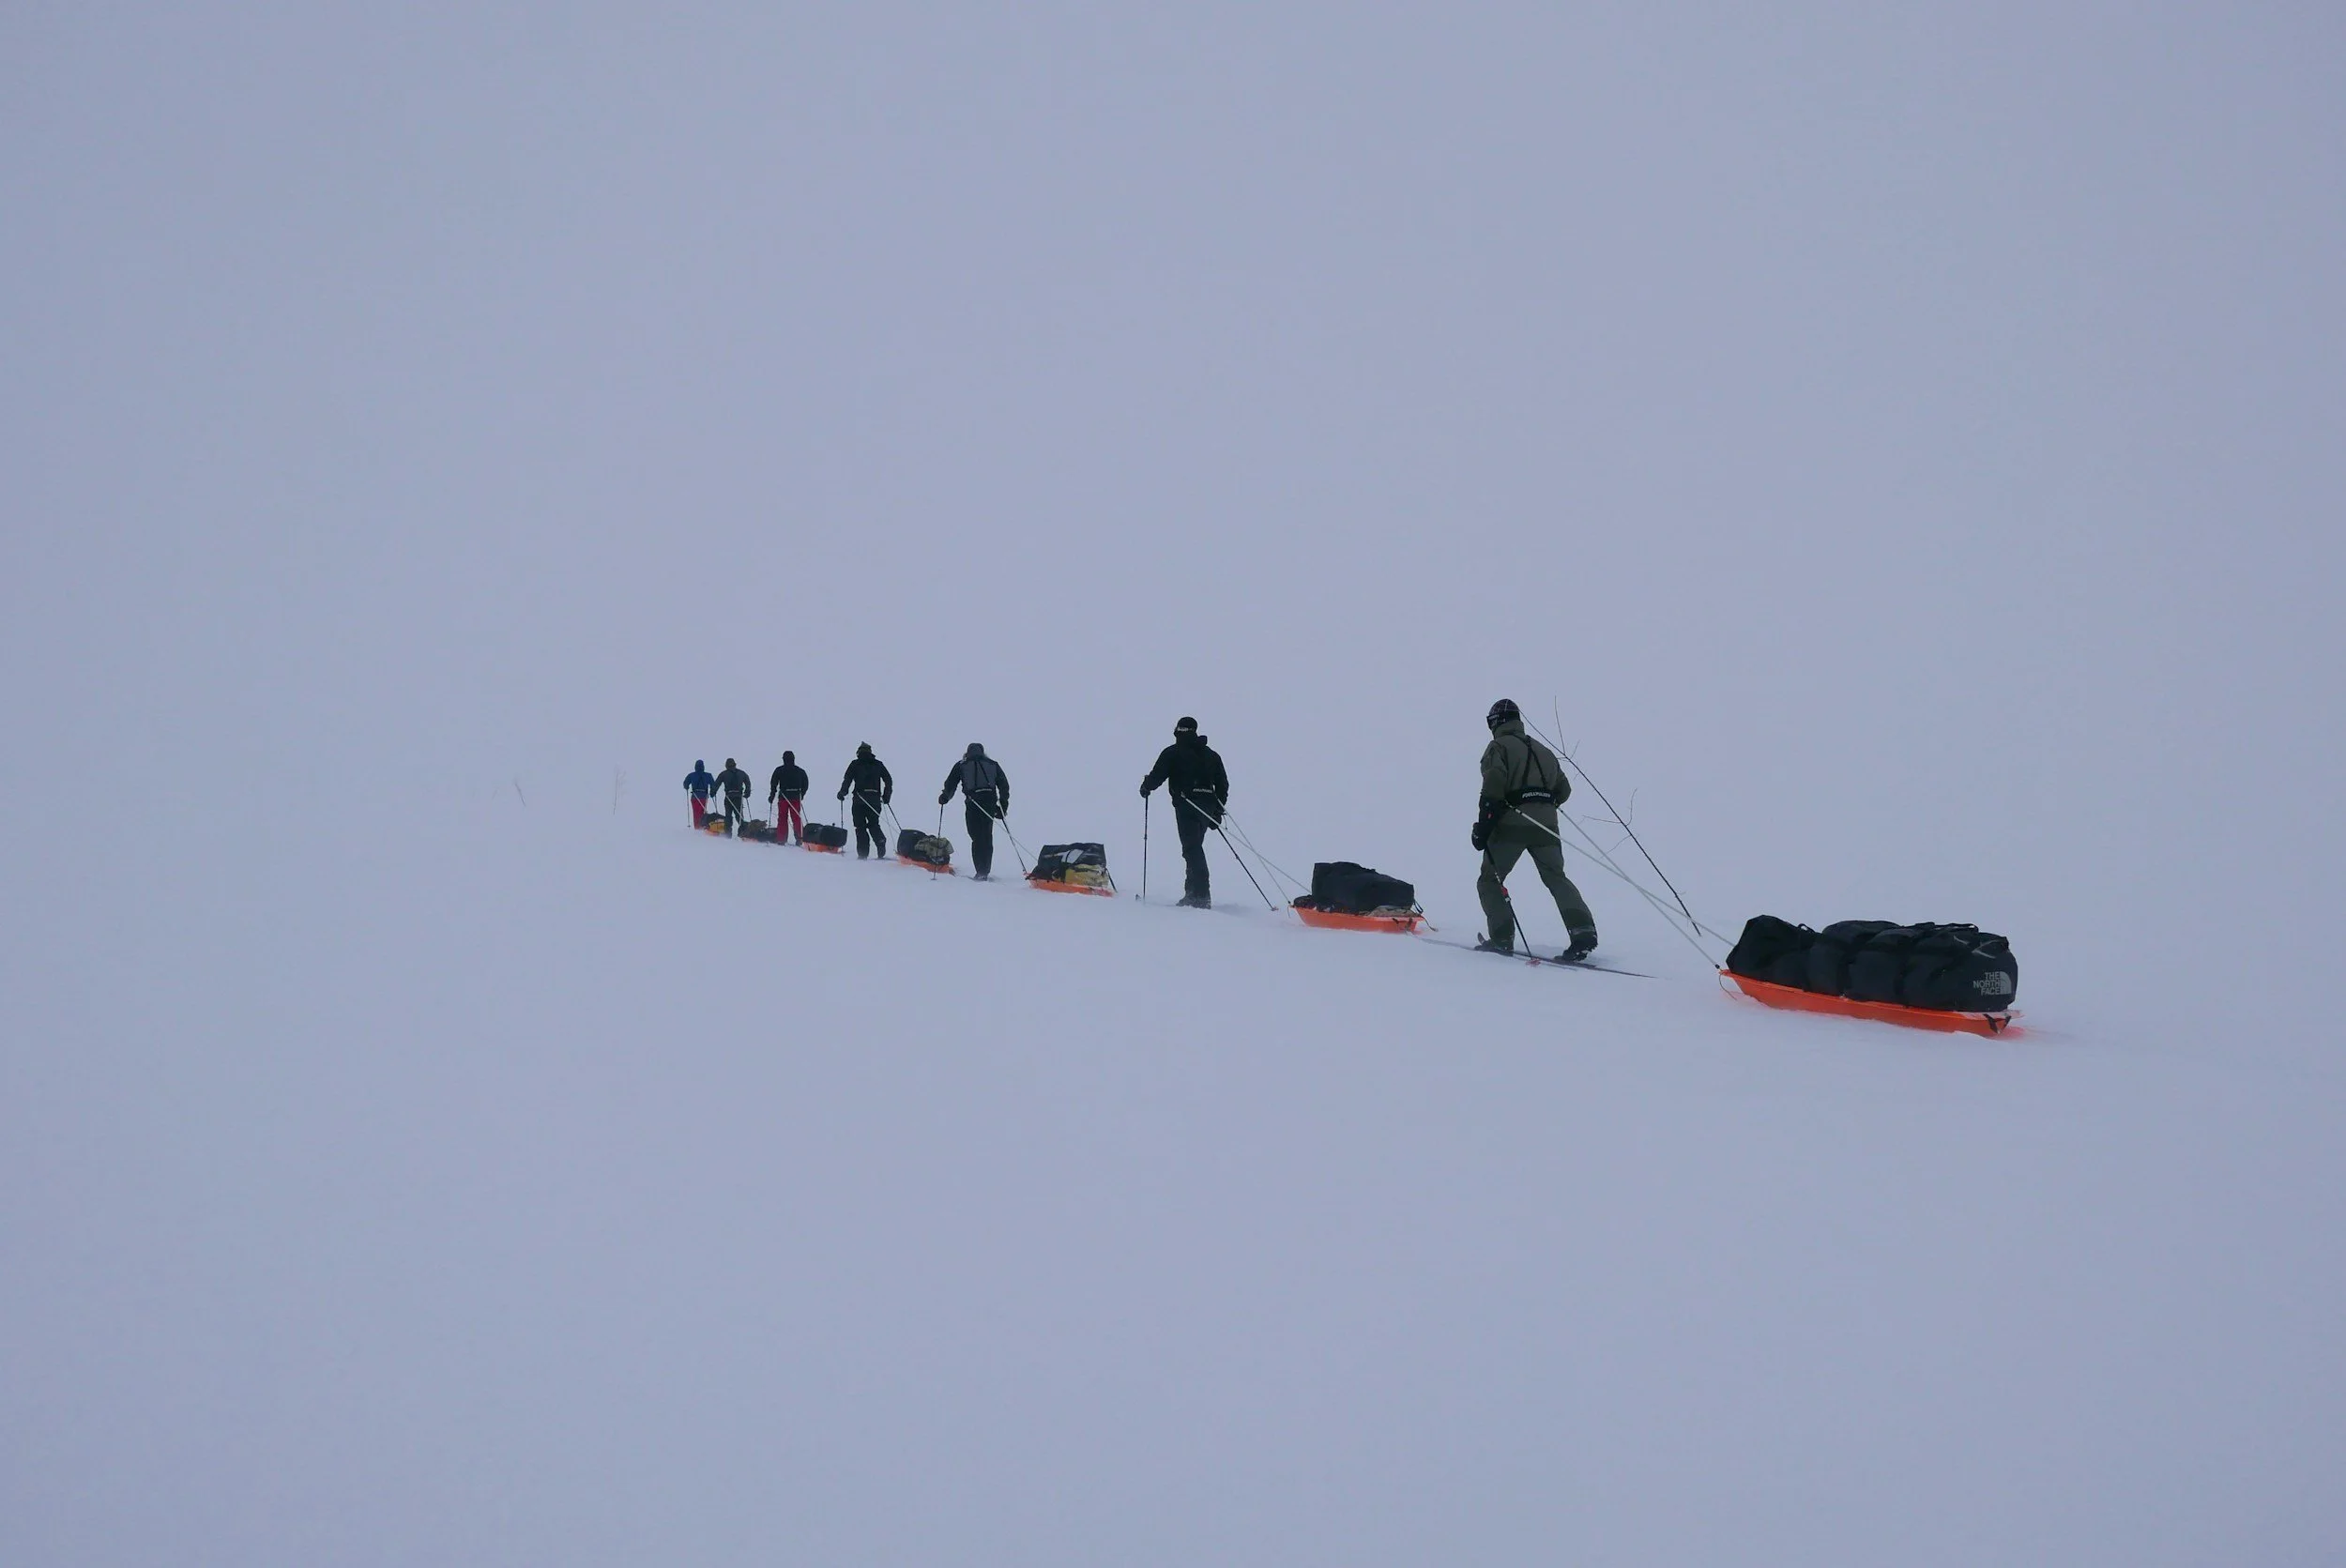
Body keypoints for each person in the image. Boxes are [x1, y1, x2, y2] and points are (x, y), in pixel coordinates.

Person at [1472, 698, 1598, 960]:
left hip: (1512, 824)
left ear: (1496, 722)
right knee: (1556, 877)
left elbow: (1493, 783)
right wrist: (1541, 803)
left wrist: (1483, 825)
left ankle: (1502, 938)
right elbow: (1564, 790)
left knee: (1490, 879)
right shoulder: (1544, 751)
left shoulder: (1498, 747)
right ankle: (1582, 931)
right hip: (1547, 826)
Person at [1140, 716, 1228, 908]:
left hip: (1187, 804)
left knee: (1192, 848)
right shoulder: (1211, 755)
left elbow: (1158, 775)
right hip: (1207, 806)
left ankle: (1200, 896)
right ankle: (1192, 893)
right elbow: (1223, 784)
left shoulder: (1172, 752)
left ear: (1178, 730)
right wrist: (1217, 811)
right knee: (1195, 847)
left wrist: (1146, 787)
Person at [937, 743, 1011, 880]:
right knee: (986, 837)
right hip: (989, 803)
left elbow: (951, 783)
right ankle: (984, 871)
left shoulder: (962, 765)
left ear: (967, 752)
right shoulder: (993, 764)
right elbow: (1004, 786)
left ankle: (980, 872)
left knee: (976, 837)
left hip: (973, 803)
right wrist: (1002, 807)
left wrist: (945, 797)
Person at [837, 743, 893, 860]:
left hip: (859, 800)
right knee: (874, 824)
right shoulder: (878, 764)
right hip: (874, 799)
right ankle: (880, 841)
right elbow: (888, 780)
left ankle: (863, 854)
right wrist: (886, 796)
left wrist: (842, 792)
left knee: (860, 827)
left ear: (859, 752)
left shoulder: (855, 764)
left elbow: (847, 779)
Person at [768, 751, 810, 845]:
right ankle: (799, 838)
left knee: (782, 818)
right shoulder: (800, 771)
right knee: (796, 818)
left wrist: (772, 795)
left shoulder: (779, 770)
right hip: (796, 797)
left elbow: (773, 783)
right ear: (793, 759)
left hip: (783, 798)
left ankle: (781, 839)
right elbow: (806, 784)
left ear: (783, 759)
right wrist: (802, 794)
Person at [714, 757, 753, 836]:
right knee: (739, 815)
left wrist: (713, 792)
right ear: (734, 764)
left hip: (728, 797)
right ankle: (744, 832)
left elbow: (717, 784)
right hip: (738, 797)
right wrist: (747, 792)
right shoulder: (742, 773)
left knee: (728, 816)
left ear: (726, 765)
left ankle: (728, 833)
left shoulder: (723, 774)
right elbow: (747, 782)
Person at [682, 759, 717, 829]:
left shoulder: (691, 775)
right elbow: (713, 785)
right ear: (703, 767)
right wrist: (712, 793)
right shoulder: (708, 775)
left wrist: (687, 787)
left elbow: (685, 784)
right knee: (702, 812)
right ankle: (703, 826)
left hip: (695, 797)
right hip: (704, 796)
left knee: (696, 813)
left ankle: (697, 827)